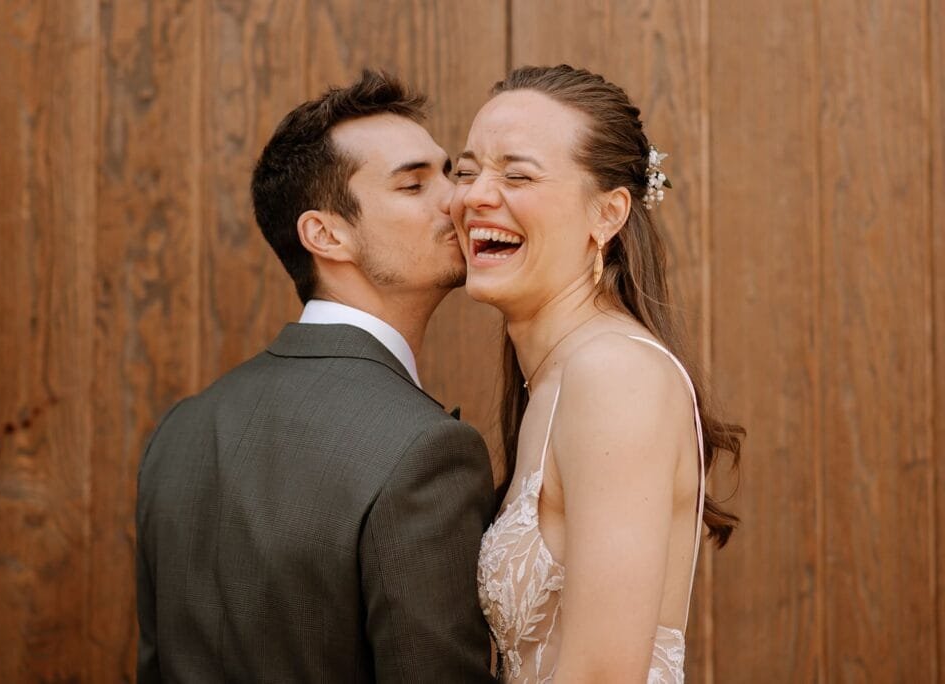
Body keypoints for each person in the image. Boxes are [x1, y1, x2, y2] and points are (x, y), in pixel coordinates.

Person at [136, 70, 497, 683]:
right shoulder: (427, 451)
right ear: (326, 235)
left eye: (449, 173)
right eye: (414, 185)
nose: (457, 200)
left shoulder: (180, 432)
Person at [451, 65, 744, 683]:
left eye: (518, 173)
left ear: (607, 215)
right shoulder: (558, 375)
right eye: (467, 169)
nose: (474, 195)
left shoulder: (614, 374)